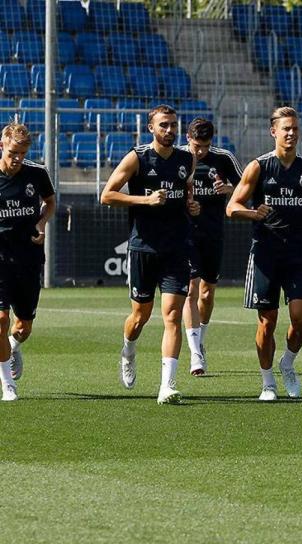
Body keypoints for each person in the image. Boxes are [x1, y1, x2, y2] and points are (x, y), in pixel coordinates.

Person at [226, 107, 302, 401]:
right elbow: (232, 206)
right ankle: (267, 382)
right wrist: (253, 213)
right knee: (267, 321)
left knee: (300, 320)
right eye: (286, 129)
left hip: (298, 253)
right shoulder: (258, 167)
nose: (292, 134)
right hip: (265, 254)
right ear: (274, 131)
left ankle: (287, 363)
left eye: (295, 129)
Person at [101, 104, 198, 405]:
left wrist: (192, 206)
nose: (169, 131)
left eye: (173, 125)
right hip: (143, 247)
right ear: (151, 128)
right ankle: (128, 348)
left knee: (171, 315)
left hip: (177, 248)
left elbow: (187, 191)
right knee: (140, 315)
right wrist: (145, 200)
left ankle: (167, 386)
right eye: (163, 126)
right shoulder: (137, 157)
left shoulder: (187, 158)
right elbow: (107, 195)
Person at [180, 118, 242, 377]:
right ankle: (195, 352)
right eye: (196, 145)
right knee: (191, 289)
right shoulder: (178, 158)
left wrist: (230, 189)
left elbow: (247, 186)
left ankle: (200, 338)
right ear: (188, 139)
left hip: (213, 233)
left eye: (205, 146)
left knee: (207, 293)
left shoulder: (224, 158)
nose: (200, 151)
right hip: (184, 234)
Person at [0, 122, 56, 401]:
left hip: (28, 258)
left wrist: (43, 222)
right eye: (13, 152)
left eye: (22, 152)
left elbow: (50, 201)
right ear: (2, 146)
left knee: (23, 326)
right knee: (0, 319)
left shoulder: (36, 173)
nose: (18, 158)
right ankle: (7, 385)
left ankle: (12, 346)